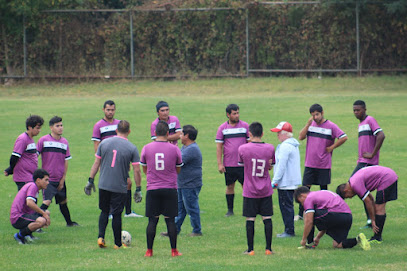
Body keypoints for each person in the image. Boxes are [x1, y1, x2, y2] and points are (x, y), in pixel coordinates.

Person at [85, 120, 142, 249]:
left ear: (116, 130)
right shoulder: (132, 148)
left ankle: (101, 237)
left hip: (103, 184)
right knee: (117, 214)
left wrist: (90, 180)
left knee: (104, 211)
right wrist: (138, 188)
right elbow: (137, 170)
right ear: (129, 131)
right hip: (119, 187)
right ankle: (117, 244)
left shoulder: (104, 143)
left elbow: (96, 163)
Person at [296, 104, 347, 220]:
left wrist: (332, 147)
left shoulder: (331, 126)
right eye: (313, 115)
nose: (315, 117)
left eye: (317, 114)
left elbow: (343, 137)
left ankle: (324, 211)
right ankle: (301, 214)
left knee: (323, 189)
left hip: (323, 164)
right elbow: (301, 137)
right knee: (305, 189)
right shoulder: (311, 125)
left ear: (322, 113)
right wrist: (308, 124)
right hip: (310, 163)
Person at [141, 121, 183, 257]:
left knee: (152, 221)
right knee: (170, 220)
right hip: (170, 188)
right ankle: (174, 251)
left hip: (153, 188)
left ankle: (149, 251)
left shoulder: (146, 148)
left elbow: (144, 168)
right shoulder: (175, 149)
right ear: (167, 133)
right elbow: (178, 168)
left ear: (154, 133)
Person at [92, 100, 141, 218]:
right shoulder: (99, 125)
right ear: (103, 110)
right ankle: (110, 212)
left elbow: (125, 142)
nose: (110, 112)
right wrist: (100, 163)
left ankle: (127, 211)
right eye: (108, 110)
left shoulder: (119, 123)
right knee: (110, 185)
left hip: (120, 159)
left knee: (128, 183)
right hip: (107, 160)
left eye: (112, 110)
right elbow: (96, 145)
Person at [238, 122, 275, 255]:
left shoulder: (243, 148)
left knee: (250, 219)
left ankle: (250, 249)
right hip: (265, 189)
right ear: (262, 134)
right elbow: (270, 165)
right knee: (267, 218)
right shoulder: (270, 148)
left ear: (250, 134)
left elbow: (242, 164)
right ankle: (268, 249)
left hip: (250, 190)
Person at [294, 186, 370, 251]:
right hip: (347, 217)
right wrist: (317, 237)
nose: (302, 204)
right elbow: (327, 221)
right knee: (337, 245)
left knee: (307, 214)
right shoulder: (321, 193)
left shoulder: (309, 198)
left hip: (335, 214)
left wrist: (303, 239)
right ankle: (358, 239)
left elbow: (309, 221)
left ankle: (309, 243)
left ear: (301, 196)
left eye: (300, 202)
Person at [336, 165, 398, 244]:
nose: (351, 197)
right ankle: (377, 236)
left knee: (379, 208)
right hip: (389, 174)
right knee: (378, 206)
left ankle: (377, 237)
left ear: (346, 190)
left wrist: (372, 220)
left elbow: (367, 201)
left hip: (387, 178)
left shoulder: (355, 185)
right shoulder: (353, 181)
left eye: (348, 197)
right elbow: (370, 198)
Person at [37, 116, 78, 227]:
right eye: (57, 126)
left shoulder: (64, 142)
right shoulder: (43, 140)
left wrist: (63, 179)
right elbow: (35, 157)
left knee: (63, 201)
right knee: (47, 202)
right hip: (47, 180)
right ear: (51, 127)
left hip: (59, 179)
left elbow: (66, 161)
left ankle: (69, 223)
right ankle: (35, 224)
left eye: (61, 125)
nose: (60, 128)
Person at [351, 100, 385, 229]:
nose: (356, 112)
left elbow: (381, 135)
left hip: (368, 162)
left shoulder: (370, 120)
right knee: (362, 190)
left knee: (355, 185)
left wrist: (372, 154)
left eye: (358, 110)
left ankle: (372, 219)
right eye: (354, 110)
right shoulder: (361, 124)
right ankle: (372, 218)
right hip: (362, 161)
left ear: (365, 109)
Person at [216, 104, 249, 217]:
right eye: (234, 113)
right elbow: (219, 147)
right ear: (228, 115)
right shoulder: (222, 128)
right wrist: (220, 163)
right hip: (229, 164)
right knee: (230, 186)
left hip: (243, 164)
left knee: (246, 186)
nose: (237, 115)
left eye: (238, 113)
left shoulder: (245, 126)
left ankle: (247, 209)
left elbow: (250, 144)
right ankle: (230, 210)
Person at [270, 121, 301, 238]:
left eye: (279, 133)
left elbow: (281, 166)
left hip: (285, 183)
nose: (277, 135)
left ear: (285, 134)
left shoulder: (285, 147)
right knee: (288, 206)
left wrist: (275, 181)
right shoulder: (292, 145)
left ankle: (289, 231)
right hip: (291, 182)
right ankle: (289, 230)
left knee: (286, 207)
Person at [10, 169, 51, 245]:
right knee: (41, 221)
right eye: (46, 180)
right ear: (38, 180)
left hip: (23, 214)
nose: (48, 183)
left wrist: (44, 213)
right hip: (18, 217)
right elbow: (29, 203)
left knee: (46, 212)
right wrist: (43, 214)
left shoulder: (33, 186)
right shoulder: (33, 186)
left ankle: (27, 235)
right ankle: (20, 236)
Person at [4, 115, 44, 191]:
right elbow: (14, 157)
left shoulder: (30, 139)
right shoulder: (23, 139)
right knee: (28, 201)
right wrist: (11, 169)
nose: (39, 130)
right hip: (23, 178)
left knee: (30, 200)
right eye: (37, 128)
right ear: (29, 127)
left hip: (30, 177)